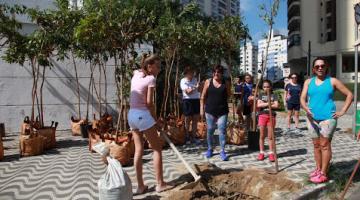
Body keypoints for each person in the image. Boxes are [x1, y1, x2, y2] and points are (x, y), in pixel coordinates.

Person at [300, 57, 353, 184]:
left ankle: (324, 173)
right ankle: (318, 169)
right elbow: (302, 98)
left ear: (326, 67)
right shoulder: (308, 82)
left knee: (324, 145)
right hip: (311, 119)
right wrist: (306, 108)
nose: (320, 68)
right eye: (317, 66)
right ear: (313, 69)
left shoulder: (333, 81)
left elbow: (349, 95)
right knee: (316, 145)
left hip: (328, 119)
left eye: (322, 66)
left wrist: (342, 111)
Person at [128, 54, 171, 194]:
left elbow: (137, 70)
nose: (159, 69)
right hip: (142, 115)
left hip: (132, 115)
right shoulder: (151, 79)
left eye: (160, 66)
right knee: (157, 148)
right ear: (149, 66)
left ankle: (140, 186)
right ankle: (160, 184)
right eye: (157, 66)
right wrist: (156, 121)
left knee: (139, 150)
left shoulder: (136, 73)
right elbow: (149, 103)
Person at [200, 65, 231, 161]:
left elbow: (229, 95)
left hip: (222, 111)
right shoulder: (208, 82)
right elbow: (203, 96)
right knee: (210, 130)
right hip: (210, 111)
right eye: (214, 72)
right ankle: (210, 149)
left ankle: (222, 151)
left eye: (218, 72)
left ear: (222, 73)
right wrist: (202, 109)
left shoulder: (226, 82)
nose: (216, 74)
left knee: (222, 130)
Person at [257, 80, 279, 162]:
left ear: (271, 87)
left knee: (270, 136)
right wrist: (269, 103)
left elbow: (276, 105)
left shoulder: (274, 95)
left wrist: (265, 103)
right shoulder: (260, 95)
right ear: (262, 88)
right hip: (262, 116)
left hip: (271, 116)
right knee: (262, 135)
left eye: (268, 86)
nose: (266, 88)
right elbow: (259, 105)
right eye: (264, 87)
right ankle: (261, 152)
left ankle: (271, 153)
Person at [180, 66, 201, 144]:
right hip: (187, 101)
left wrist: (199, 86)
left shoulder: (195, 80)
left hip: (196, 100)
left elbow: (199, 90)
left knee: (195, 119)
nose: (192, 74)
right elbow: (188, 92)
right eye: (190, 72)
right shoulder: (183, 81)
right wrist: (196, 87)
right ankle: (187, 137)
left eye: (192, 72)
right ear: (186, 74)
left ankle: (193, 137)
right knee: (187, 119)